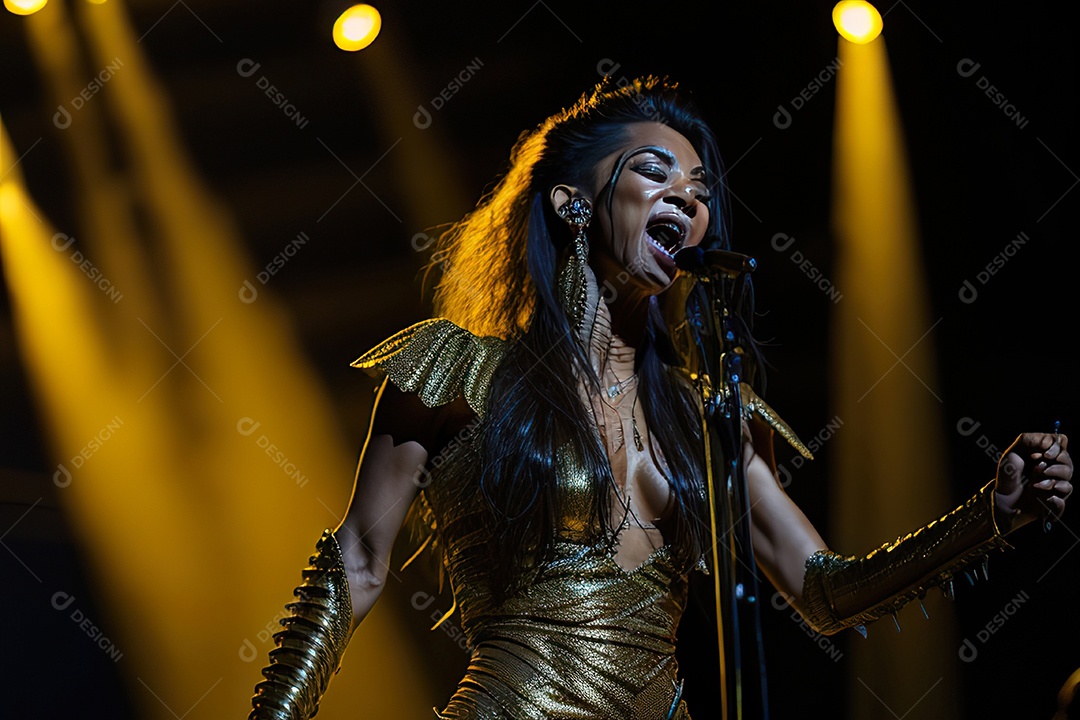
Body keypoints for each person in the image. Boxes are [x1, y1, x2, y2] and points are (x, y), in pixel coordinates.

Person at [247, 76, 1072, 719]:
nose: (688, 195)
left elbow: (823, 592)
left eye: (701, 186)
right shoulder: (460, 374)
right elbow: (356, 562)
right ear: (572, 204)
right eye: (653, 171)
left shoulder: (711, 412)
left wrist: (987, 514)